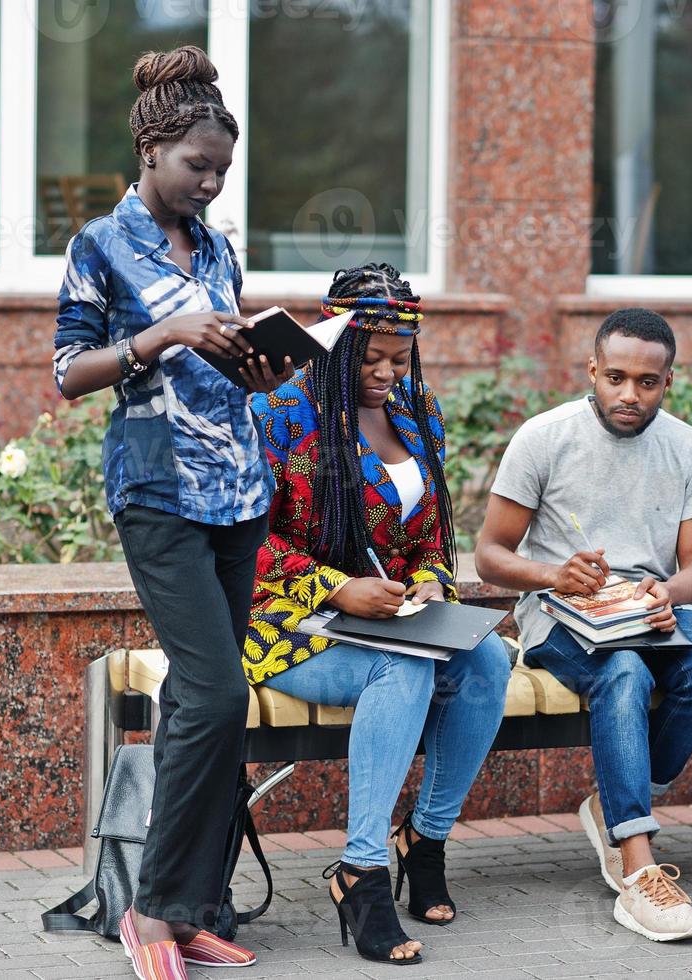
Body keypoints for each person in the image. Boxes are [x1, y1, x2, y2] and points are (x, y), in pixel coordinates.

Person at [52, 46, 290, 980]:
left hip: (236, 488)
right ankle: (147, 913)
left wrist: (262, 367)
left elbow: (222, 364)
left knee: (205, 703)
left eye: (223, 170)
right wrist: (159, 334)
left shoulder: (218, 248)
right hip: (158, 492)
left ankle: (193, 908)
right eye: (199, 165)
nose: (211, 182)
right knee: (219, 690)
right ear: (151, 150)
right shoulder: (99, 245)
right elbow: (69, 372)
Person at [244, 263, 511, 967]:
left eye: (400, 357)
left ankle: (423, 840)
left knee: (488, 660)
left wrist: (426, 585)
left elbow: (431, 536)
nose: (388, 371)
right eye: (372, 357)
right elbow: (246, 543)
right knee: (405, 666)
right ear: (332, 342)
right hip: (284, 624)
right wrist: (335, 589)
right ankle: (359, 871)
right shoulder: (279, 412)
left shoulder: (418, 410)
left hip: (390, 615)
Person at [475, 308, 692, 943]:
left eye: (647, 382)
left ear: (667, 381)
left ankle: (618, 800)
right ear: (591, 369)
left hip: (651, 608)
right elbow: (490, 556)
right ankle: (638, 865)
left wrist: (666, 589)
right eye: (615, 377)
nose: (629, 394)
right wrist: (555, 575)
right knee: (621, 673)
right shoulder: (545, 437)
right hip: (560, 613)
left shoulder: (687, 446)